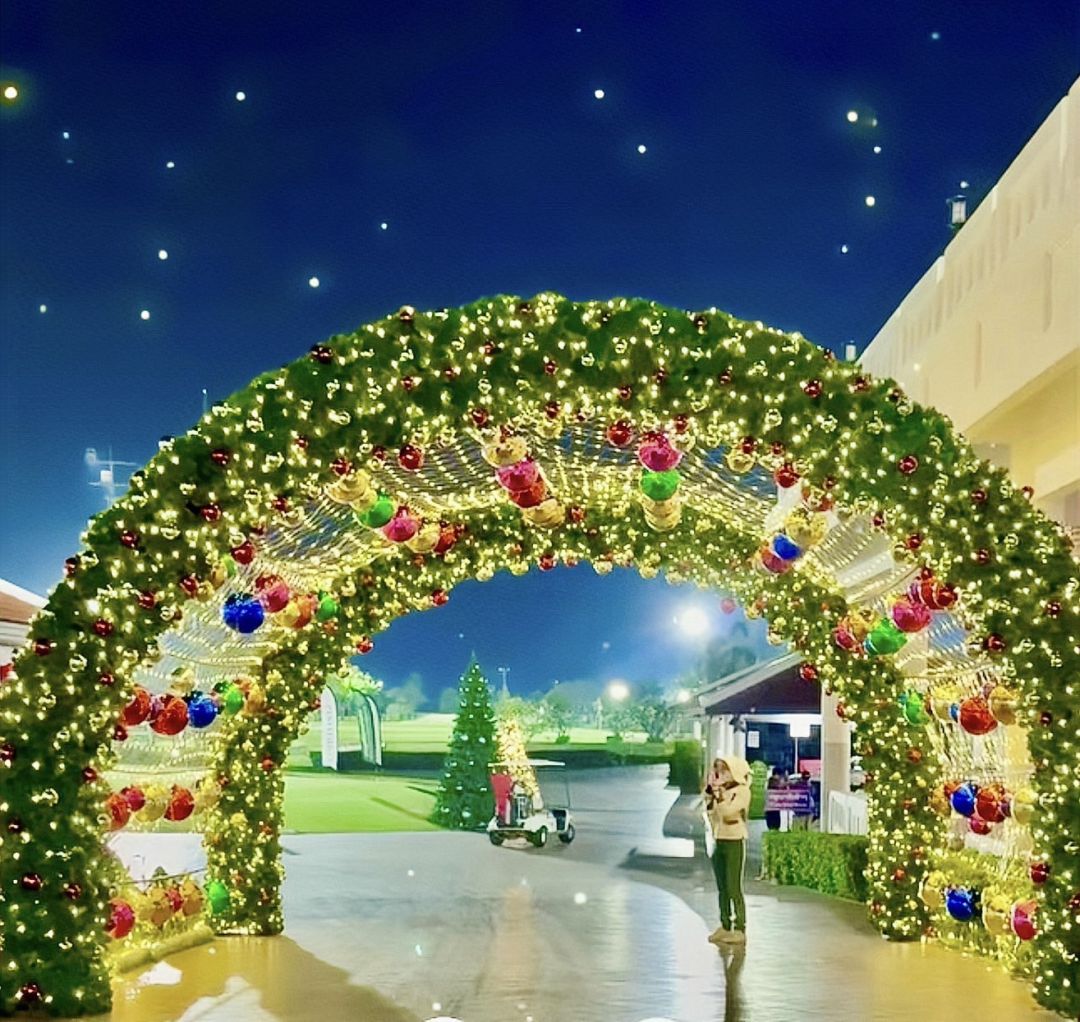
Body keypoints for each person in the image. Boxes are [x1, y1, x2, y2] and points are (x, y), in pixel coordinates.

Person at [704, 755, 751, 945]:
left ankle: (740, 928)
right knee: (722, 887)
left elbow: (729, 812)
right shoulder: (722, 791)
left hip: (735, 841)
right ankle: (725, 925)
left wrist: (719, 796)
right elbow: (711, 814)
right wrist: (710, 796)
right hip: (719, 839)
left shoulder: (742, 792)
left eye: (725, 770)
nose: (721, 774)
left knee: (733, 887)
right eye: (719, 770)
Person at [764, 767, 787, 832]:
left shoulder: (773, 780)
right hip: (771, 805)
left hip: (774, 805)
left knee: (775, 820)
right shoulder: (772, 780)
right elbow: (780, 786)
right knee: (773, 821)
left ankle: (774, 830)